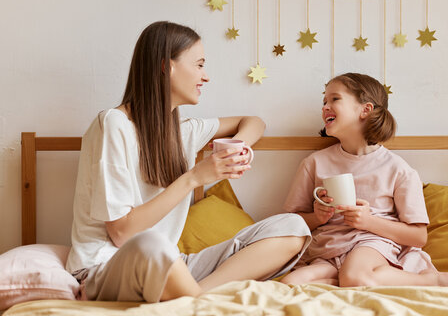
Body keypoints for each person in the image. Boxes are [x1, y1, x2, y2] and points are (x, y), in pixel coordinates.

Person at [66, 21, 311, 302]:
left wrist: (238, 146)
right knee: (154, 246)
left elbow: (254, 121)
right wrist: (194, 178)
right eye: (199, 64)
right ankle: (192, 297)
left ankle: (196, 297)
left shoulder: (183, 131)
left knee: (293, 228)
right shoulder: (114, 124)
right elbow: (122, 233)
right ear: (165, 66)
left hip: (173, 265)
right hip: (109, 265)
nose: (205, 76)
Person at [281, 73, 448, 287]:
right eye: (324, 101)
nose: (325, 107)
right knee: (291, 282)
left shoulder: (397, 169)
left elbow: (419, 237)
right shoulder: (314, 163)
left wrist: (368, 222)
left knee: (355, 275)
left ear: (365, 109)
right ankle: (354, 279)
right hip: (328, 249)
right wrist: (317, 217)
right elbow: (291, 222)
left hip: (371, 244)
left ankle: (433, 280)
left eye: (335, 99)